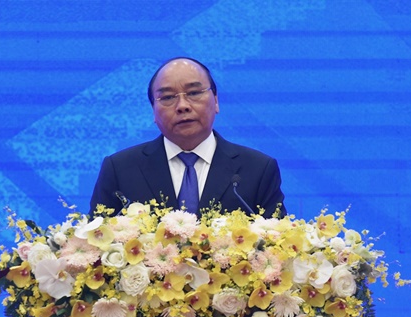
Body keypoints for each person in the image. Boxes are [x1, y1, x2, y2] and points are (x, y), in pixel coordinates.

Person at [89, 57, 287, 217]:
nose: (182, 106)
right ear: (153, 111)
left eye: (194, 93)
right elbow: (97, 243)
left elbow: (276, 244)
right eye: (167, 97)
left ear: (216, 101)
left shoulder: (258, 169)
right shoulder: (120, 169)